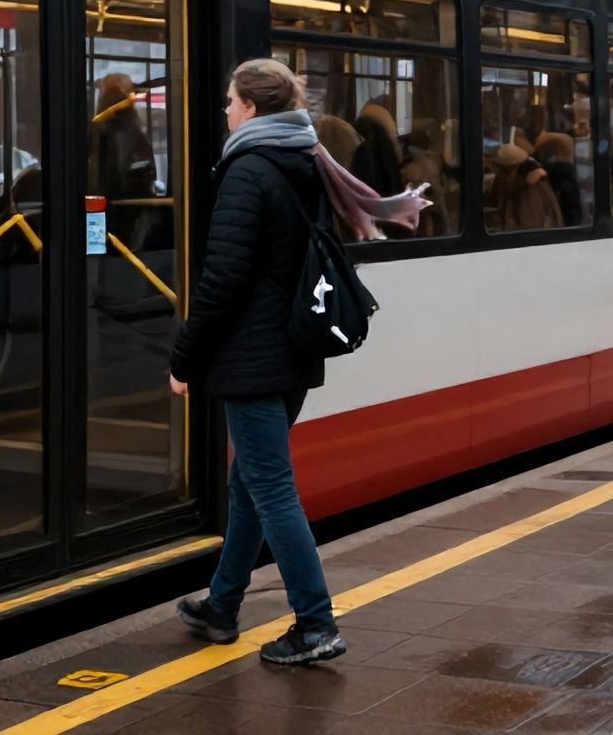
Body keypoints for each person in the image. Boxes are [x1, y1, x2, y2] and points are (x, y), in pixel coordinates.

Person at [169, 58, 425, 667]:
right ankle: (222, 606)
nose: (226, 111)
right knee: (249, 485)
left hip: (252, 356)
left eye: (231, 101)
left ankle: (315, 623)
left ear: (252, 108)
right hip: (292, 350)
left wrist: (184, 356)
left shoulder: (247, 169)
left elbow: (223, 277)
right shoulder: (306, 159)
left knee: (271, 488)